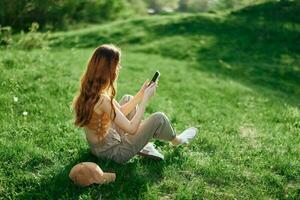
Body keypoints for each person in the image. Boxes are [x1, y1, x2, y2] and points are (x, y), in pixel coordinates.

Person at [72, 44, 197, 164]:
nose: (119, 68)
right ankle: (177, 140)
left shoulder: (90, 91)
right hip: (114, 154)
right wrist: (145, 100)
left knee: (128, 98)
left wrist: (141, 94)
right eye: (117, 65)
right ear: (108, 70)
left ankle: (141, 146)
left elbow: (119, 112)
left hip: (101, 146)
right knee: (159, 118)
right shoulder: (102, 99)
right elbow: (131, 129)